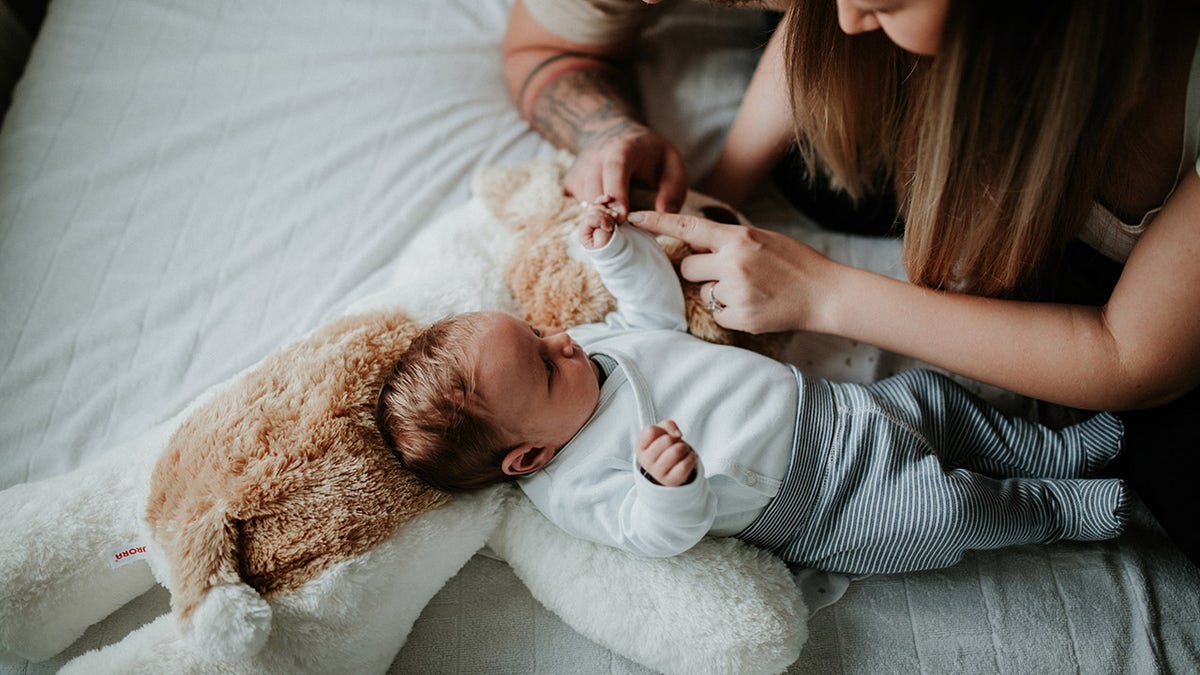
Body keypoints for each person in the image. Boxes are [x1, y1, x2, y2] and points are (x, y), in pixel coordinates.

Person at [504, 0, 1200, 566]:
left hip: (1127, 316)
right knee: (945, 495)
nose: (846, 19)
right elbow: (539, 47)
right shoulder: (574, 480)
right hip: (827, 471)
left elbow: (1132, 357)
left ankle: (1061, 473)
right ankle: (1056, 495)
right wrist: (703, 185)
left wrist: (823, 292)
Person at [376, 210, 1129, 575]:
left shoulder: (593, 348)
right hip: (826, 506)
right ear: (529, 455)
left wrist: (613, 250)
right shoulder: (571, 487)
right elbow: (651, 534)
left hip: (839, 409)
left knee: (941, 399)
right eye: (544, 365)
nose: (563, 339)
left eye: (540, 332)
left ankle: (1056, 446)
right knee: (949, 509)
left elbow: (655, 310)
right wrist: (664, 486)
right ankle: (1055, 507)